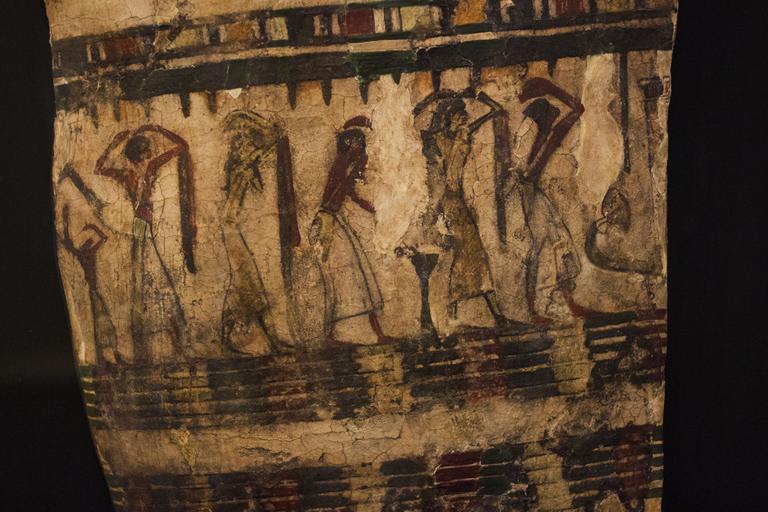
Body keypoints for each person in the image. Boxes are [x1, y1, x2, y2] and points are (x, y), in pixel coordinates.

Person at [411, 90, 516, 330]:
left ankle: (491, 315)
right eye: (459, 115)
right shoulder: (434, 140)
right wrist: (430, 100)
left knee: (475, 255)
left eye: (464, 116)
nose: (464, 119)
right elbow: (413, 124)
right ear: (448, 117)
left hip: (457, 203)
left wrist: (478, 95)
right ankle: (452, 317)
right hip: (442, 204)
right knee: (454, 258)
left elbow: (496, 110)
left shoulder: (462, 137)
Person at [95, 125, 197, 362]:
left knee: (145, 276)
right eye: (148, 151)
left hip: (143, 225)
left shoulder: (130, 173)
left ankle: (158, 341)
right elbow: (182, 145)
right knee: (150, 276)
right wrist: (156, 128)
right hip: (143, 225)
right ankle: (164, 341)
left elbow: (99, 167)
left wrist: (115, 143)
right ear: (142, 154)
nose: (151, 154)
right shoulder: (145, 170)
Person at [501, 77, 585, 323]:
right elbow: (521, 172)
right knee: (532, 252)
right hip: (520, 195)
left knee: (559, 242)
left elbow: (577, 109)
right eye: (550, 117)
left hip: (530, 192)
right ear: (541, 119)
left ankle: (567, 304)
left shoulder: (550, 133)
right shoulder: (529, 134)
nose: (553, 121)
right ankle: (531, 308)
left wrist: (550, 88)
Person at [309, 116, 394, 346]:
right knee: (337, 281)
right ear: (350, 145)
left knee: (360, 275)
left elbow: (351, 193)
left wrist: (372, 208)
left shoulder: (344, 164)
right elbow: (347, 192)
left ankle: (377, 334)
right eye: (358, 145)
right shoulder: (341, 164)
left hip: (332, 220)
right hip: (327, 222)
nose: (360, 149)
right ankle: (330, 336)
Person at [220, 110, 298, 355]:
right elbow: (229, 214)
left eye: (248, 138)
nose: (246, 144)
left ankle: (273, 341)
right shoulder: (241, 169)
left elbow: (269, 142)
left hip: (239, 234)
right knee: (252, 293)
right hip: (234, 235)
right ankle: (267, 341)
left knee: (255, 294)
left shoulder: (244, 166)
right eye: (242, 140)